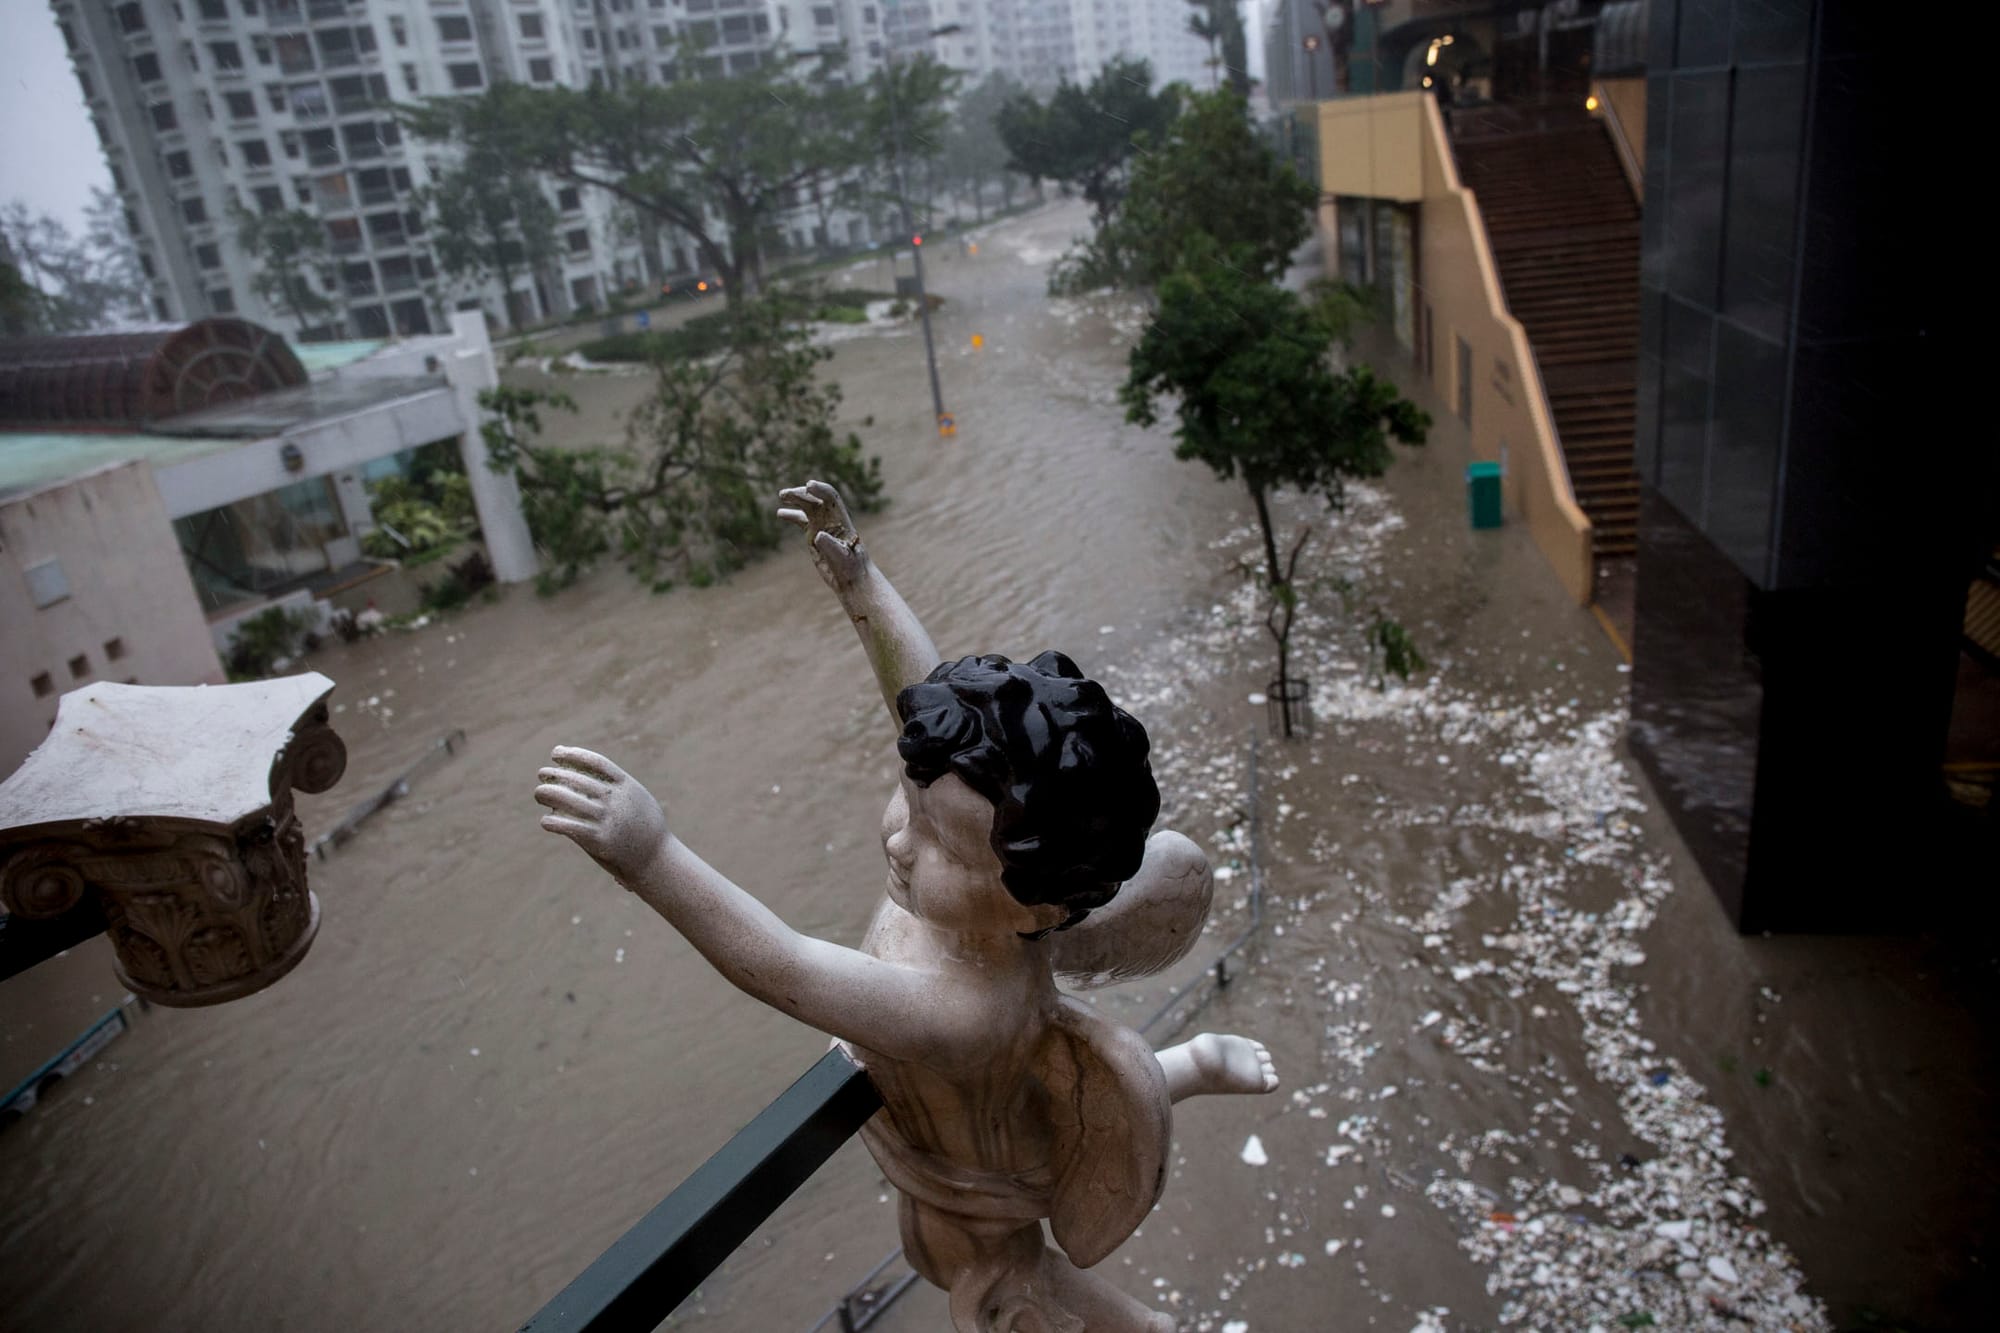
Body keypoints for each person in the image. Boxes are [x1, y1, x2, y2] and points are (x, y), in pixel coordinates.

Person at [534, 480, 1277, 1332]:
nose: (900, 842)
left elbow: (784, 966)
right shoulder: (995, 900)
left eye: (944, 847)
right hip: (948, 1131)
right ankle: (1196, 1063)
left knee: (1004, 1284)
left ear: (1033, 909)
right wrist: (862, 582)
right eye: (906, 801)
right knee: (1054, 1107)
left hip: (981, 1182)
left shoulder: (962, 1006)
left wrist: (653, 855)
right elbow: (918, 694)